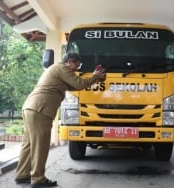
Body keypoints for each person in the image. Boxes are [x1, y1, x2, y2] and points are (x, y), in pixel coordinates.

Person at [14, 52, 106, 188]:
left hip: (31, 108)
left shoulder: (57, 70)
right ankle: (38, 179)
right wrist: (94, 77)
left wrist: (95, 78)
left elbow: (74, 86)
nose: (77, 69)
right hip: (41, 110)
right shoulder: (63, 68)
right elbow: (79, 83)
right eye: (77, 65)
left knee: (28, 144)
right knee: (40, 145)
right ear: (70, 61)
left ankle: (22, 175)